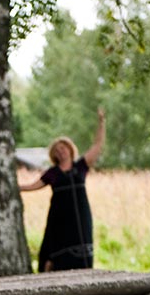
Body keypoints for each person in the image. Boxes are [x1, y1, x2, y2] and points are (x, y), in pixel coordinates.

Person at [19, 108, 106, 271]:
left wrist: (101, 123)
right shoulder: (52, 173)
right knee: (56, 246)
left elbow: (97, 146)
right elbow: (34, 185)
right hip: (59, 216)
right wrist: (18, 188)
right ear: (54, 155)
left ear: (70, 149)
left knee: (82, 243)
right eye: (57, 150)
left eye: (63, 148)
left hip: (80, 214)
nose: (61, 151)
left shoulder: (81, 166)